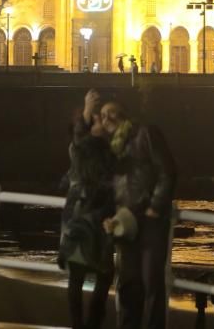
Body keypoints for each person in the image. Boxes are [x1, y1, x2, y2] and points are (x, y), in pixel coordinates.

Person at [78, 90, 176, 329]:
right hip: (124, 221)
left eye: (112, 112)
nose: (107, 118)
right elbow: (85, 160)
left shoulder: (145, 133)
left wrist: (155, 207)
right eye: (102, 115)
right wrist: (109, 217)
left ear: (124, 114)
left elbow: (167, 172)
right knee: (128, 284)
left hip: (150, 221)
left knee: (152, 283)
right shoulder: (109, 147)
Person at [58, 116, 116, 329]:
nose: (103, 121)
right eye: (99, 119)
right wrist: (86, 112)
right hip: (90, 217)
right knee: (100, 272)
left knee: (84, 274)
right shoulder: (86, 151)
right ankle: (89, 323)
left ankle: (82, 324)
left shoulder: (96, 151)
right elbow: (77, 142)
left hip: (82, 217)